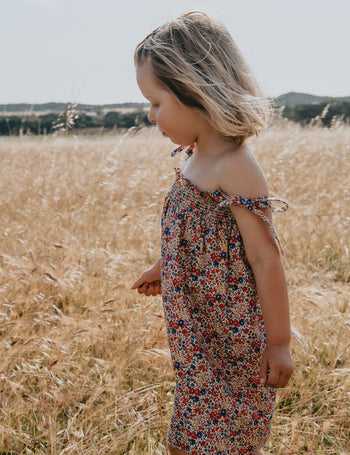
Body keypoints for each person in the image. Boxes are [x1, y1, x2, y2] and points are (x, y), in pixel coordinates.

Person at [131, 11, 294, 455]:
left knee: (227, 443)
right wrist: (164, 266)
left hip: (233, 342)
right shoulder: (192, 157)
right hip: (198, 335)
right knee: (185, 441)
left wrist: (278, 343)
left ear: (195, 92)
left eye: (157, 102)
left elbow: (265, 257)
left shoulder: (236, 165)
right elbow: (196, 236)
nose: (150, 116)